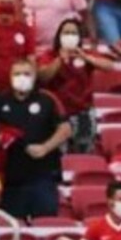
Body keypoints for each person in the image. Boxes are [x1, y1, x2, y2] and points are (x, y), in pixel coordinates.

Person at [0, 59, 71, 219]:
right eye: (17, 74)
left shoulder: (47, 99)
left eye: (27, 74)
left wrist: (45, 148)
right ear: (10, 76)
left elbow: (66, 129)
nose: (21, 77)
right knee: (12, 226)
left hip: (43, 175)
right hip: (10, 177)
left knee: (45, 222)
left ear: (34, 77)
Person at [37, 18, 113, 153]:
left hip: (82, 113)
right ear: (59, 36)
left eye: (73, 33)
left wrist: (88, 58)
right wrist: (60, 59)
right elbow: (43, 76)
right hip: (57, 114)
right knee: (59, 155)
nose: (69, 36)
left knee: (84, 155)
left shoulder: (85, 55)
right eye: (66, 33)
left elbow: (109, 66)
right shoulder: (50, 55)